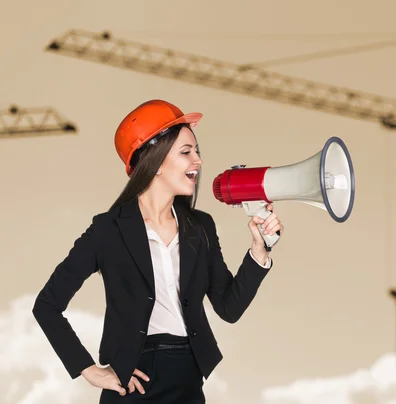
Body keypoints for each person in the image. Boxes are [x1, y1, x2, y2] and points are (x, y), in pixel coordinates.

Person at [32, 99, 283, 403]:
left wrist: (259, 250)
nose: (198, 162)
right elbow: (47, 305)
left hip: (188, 379)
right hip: (133, 383)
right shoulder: (108, 230)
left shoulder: (201, 227)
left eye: (198, 152)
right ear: (157, 160)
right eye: (186, 152)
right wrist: (88, 369)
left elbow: (228, 309)